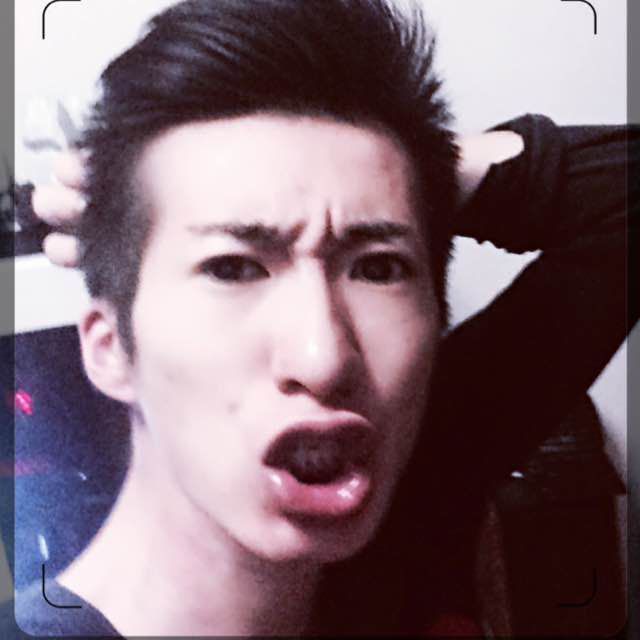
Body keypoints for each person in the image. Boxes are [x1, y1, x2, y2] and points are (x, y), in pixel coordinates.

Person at [5, 0, 638, 636]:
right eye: (233, 268)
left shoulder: (401, 508)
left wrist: (413, 175)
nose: (324, 357)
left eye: (378, 267)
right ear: (111, 346)